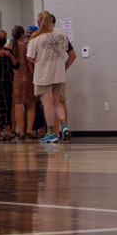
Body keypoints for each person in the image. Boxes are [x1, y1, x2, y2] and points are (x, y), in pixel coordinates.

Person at [26, 11, 75, 143]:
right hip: (59, 74)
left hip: (43, 75)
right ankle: (64, 126)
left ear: (39, 22)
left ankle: (52, 132)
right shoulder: (61, 34)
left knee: (47, 103)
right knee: (57, 102)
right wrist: (63, 67)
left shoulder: (36, 37)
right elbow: (70, 53)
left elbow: (29, 57)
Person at [9, 25, 37, 139]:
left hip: (15, 77)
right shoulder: (27, 47)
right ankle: (30, 129)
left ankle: (21, 132)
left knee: (18, 105)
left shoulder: (9, 47)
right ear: (22, 35)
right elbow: (30, 62)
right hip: (28, 76)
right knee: (31, 105)